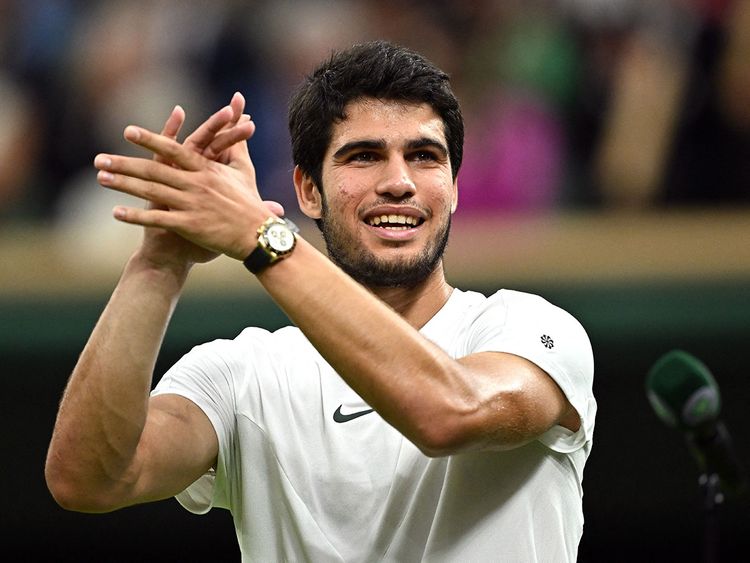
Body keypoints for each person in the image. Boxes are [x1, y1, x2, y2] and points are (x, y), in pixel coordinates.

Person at [45, 40, 596, 562]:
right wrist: (159, 263)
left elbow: (450, 412)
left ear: (452, 187)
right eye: (364, 156)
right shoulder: (243, 372)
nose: (399, 181)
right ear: (308, 191)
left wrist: (262, 235)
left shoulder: (529, 329)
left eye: (425, 156)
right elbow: (88, 479)